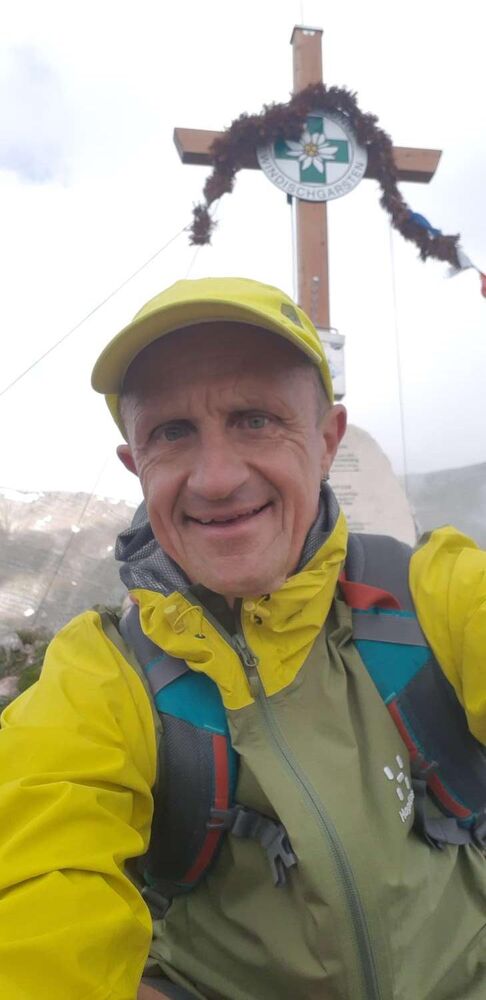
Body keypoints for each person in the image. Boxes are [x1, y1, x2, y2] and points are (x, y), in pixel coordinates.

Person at [0, 276, 485, 1000]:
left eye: (255, 419)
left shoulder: (435, 594)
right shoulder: (102, 676)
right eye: (172, 432)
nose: (217, 478)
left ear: (326, 441)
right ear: (136, 465)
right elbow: (33, 884)